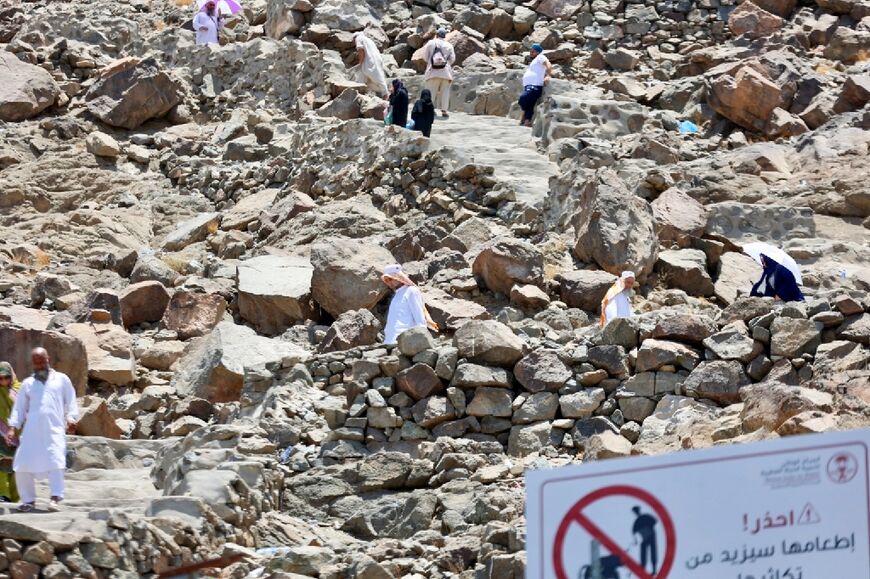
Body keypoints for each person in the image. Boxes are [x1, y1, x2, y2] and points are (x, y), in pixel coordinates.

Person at [5, 348, 79, 512]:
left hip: (54, 429)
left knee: (55, 461)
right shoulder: (27, 383)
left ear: (48, 359)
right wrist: (12, 428)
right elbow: (19, 408)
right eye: (36, 363)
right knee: (22, 464)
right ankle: (28, 500)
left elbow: (71, 400)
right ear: (33, 363)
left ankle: (55, 498)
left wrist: (71, 418)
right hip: (31, 431)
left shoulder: (61, 379)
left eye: (42, 361)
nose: (39, 365)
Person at [382, 264, 438, 345]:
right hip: (390, 341)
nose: (389, 282)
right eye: (386, 280)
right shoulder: (396, 295)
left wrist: (423, 337)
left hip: (405, 340)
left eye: (390, 279)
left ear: (398, 277)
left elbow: (419, 316)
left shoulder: (411, 291)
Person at [422, 27, 455, 118]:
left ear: (436, 34)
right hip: (446, 72)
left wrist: (431, 62)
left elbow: (425, 57)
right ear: (444, 35)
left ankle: (430, 109)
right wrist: (445, 64)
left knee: (431, 91)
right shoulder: (449, 45)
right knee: (445, 92)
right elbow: (452, 59)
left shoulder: (431, 43)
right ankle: (444, 110)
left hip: (432, 72)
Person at [518, 43, 552, 127]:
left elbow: (548, 64)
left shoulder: (541, 57)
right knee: (530, 105)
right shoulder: (535, 60)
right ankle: (527, 121)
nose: (531, 52)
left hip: (535, 85)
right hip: (529, 85)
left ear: (538, 52)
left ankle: (523, 116)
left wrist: (548, 75)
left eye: (534, 50)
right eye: (531, 50)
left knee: (522, 99)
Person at [0, 362, 20, 503]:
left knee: (16, 467)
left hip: (18, 434)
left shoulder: (19, 389)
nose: (3, 381)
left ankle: (15, 497)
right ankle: (3, 494)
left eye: (6, 377)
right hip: (0, 433)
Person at [354, 31, 388, 97]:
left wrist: (360, 62)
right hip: (375, 59)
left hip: (371, 60)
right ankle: (359, 93)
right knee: (361, 76)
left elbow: (361, 50)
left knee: (377, 77)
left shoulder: (358, 38)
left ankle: (386, 95)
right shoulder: (369, 40)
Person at [632, 506, 659, 575]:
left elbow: (654, 521)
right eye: (635, 512)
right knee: (643, 554)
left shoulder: (646, 517)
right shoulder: (637, 522)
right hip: (644, 539)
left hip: (651, 537)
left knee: (653, 552)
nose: (636, 513)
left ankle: (654, 569)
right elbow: (634, 533)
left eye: (636, 511)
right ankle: (643, 569)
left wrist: (648, 529)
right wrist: (636, 540)